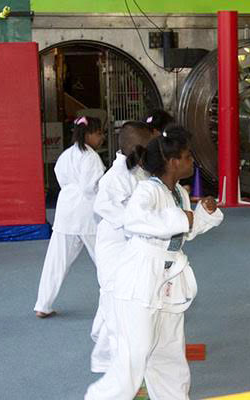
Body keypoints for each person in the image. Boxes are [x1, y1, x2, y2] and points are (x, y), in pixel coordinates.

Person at [85, 127, 223, 399]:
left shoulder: (179, 194)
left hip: (168, 283)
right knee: (131, 365)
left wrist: (204, 215)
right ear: (173, 163)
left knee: (169, 358)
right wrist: (184, 218)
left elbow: (184, 233)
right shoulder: (146, 190)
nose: (192, 162)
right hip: (140, 280)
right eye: (187, 157)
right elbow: (135, 221)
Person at [89, 121, 156, 373]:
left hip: (132, 246)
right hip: (114, 245)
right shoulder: (114, 177)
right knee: (115, 301)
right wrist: (139, 221)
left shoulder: (139, 171)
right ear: (137, 148)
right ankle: (116, 362)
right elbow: (103, 208)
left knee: (120, 302)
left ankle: (109, 351)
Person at [34, 116, 105, 318]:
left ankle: (42, 304)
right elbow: (90, 187)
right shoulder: (91, 157)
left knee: (55, 261)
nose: (101, 138)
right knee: (104, 258)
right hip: (86, 215)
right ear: (88, 134)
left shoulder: (67, 155)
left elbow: (62, 179)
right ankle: (118, 298)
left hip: (66, 213)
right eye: (98, 133)